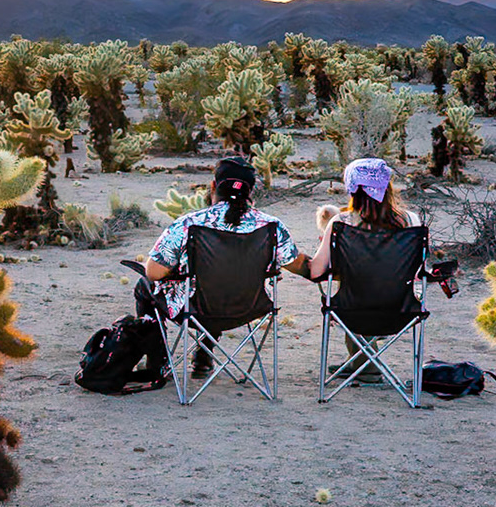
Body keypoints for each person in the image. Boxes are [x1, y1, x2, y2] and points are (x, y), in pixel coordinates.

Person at [135, 156, 307, 378]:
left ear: (214, 185)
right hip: (248, 308)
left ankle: (157, 362)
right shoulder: (271, 226)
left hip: (196, 309)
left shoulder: (189, 223)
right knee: (222, 281)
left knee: (146, 286)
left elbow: (154, 272)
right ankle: (204, 358)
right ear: (251, 192)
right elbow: (298, 264)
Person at [307, 157, 420, 279]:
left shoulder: (341, 222)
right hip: (400, 297)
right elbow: (417, 272)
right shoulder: (410, 219)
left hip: (352, 297)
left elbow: (316, 272)